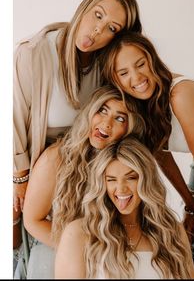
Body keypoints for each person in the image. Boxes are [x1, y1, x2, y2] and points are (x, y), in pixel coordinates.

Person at [13, 0, 142, 271]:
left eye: (111, 27)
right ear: (84, 7)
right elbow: (13, 121)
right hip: (39, 167)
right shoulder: (34, 53)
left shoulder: (104, 64)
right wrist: (19, 178)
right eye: (97, 15)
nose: (97, 31)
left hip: (84, 167)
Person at [100, 31, 194, 279]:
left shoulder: (180, 94)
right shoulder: (144, 104)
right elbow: (161, 155)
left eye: (141, 64)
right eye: (124, 73)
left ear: (153, 59)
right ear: (116, 80)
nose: (137, 77)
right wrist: (190, 205)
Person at [21, 85, 145, 279]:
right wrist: (76, 249)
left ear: (129, 129)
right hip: (53, 244)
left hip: (106, 251)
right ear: (90, 112)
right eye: (102, 110)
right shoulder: (56, 158)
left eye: (120, 118)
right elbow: (32, 221)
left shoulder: (122, 164)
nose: (106, 123)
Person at [55, 136, 194, 279]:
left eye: (131, 178)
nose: (121, 189)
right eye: (111, 180)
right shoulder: (80, 232)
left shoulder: (172, 232)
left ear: (146, 180)